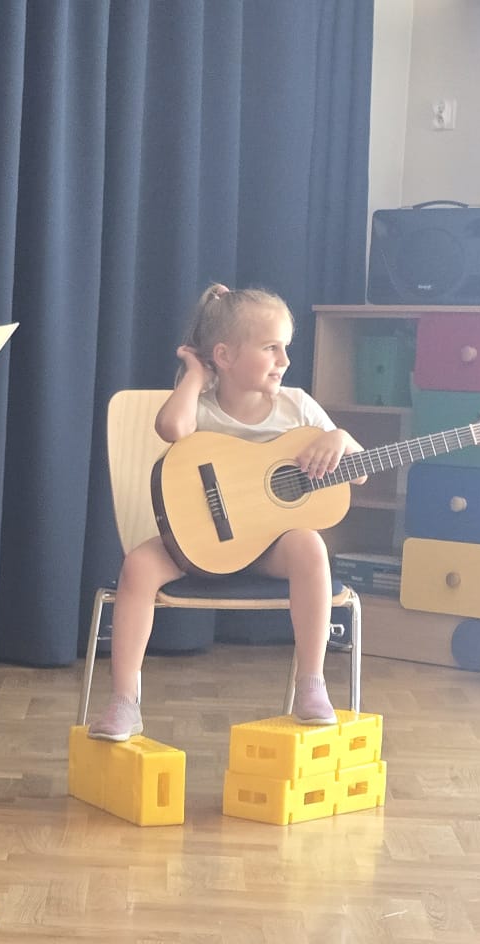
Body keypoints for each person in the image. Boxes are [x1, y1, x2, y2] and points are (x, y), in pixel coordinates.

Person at [87, 283, 361, 742]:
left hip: (267, 549)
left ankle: (311, 684)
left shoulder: (297, 405)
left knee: (310, 546)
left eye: (285, 347)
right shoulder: (202, 406)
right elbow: (171, 427)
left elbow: (360, 472)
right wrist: (195, 374)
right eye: (271, 348)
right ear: (225, 356)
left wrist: (340, 438)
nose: (284, 360)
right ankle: (124, 701)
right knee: (138, 566)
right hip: (196, 546)